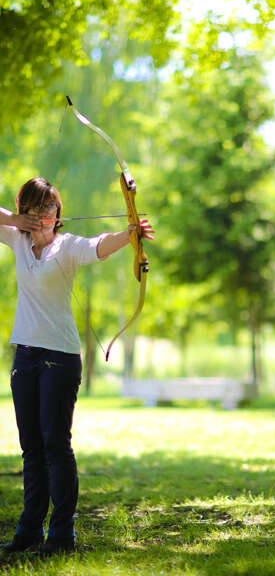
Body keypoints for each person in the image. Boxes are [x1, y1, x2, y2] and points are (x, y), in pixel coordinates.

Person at [0, 177, 154, 555]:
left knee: (55, 446)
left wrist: (129, 234)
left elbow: (97, 246)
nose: (45, 215)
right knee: (31, 448)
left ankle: (62, 534)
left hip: (60, 358)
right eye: (36, 209)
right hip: (26, 357)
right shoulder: (17, 241)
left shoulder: (67, 247)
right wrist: (14, 222)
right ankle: (29, 530)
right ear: (24, 212)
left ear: (58, 212)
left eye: (51, 208)